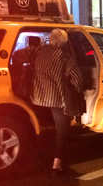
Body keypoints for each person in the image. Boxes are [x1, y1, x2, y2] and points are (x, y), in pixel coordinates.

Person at [30, 29, 84, 174]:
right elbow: (78, 81)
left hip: (38, 98)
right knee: (62, 131)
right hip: (57, 100)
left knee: (43, 130)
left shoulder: (39, 52)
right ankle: (57, 163)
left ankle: (38, 159)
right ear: (65, 42)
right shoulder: (66, 58)